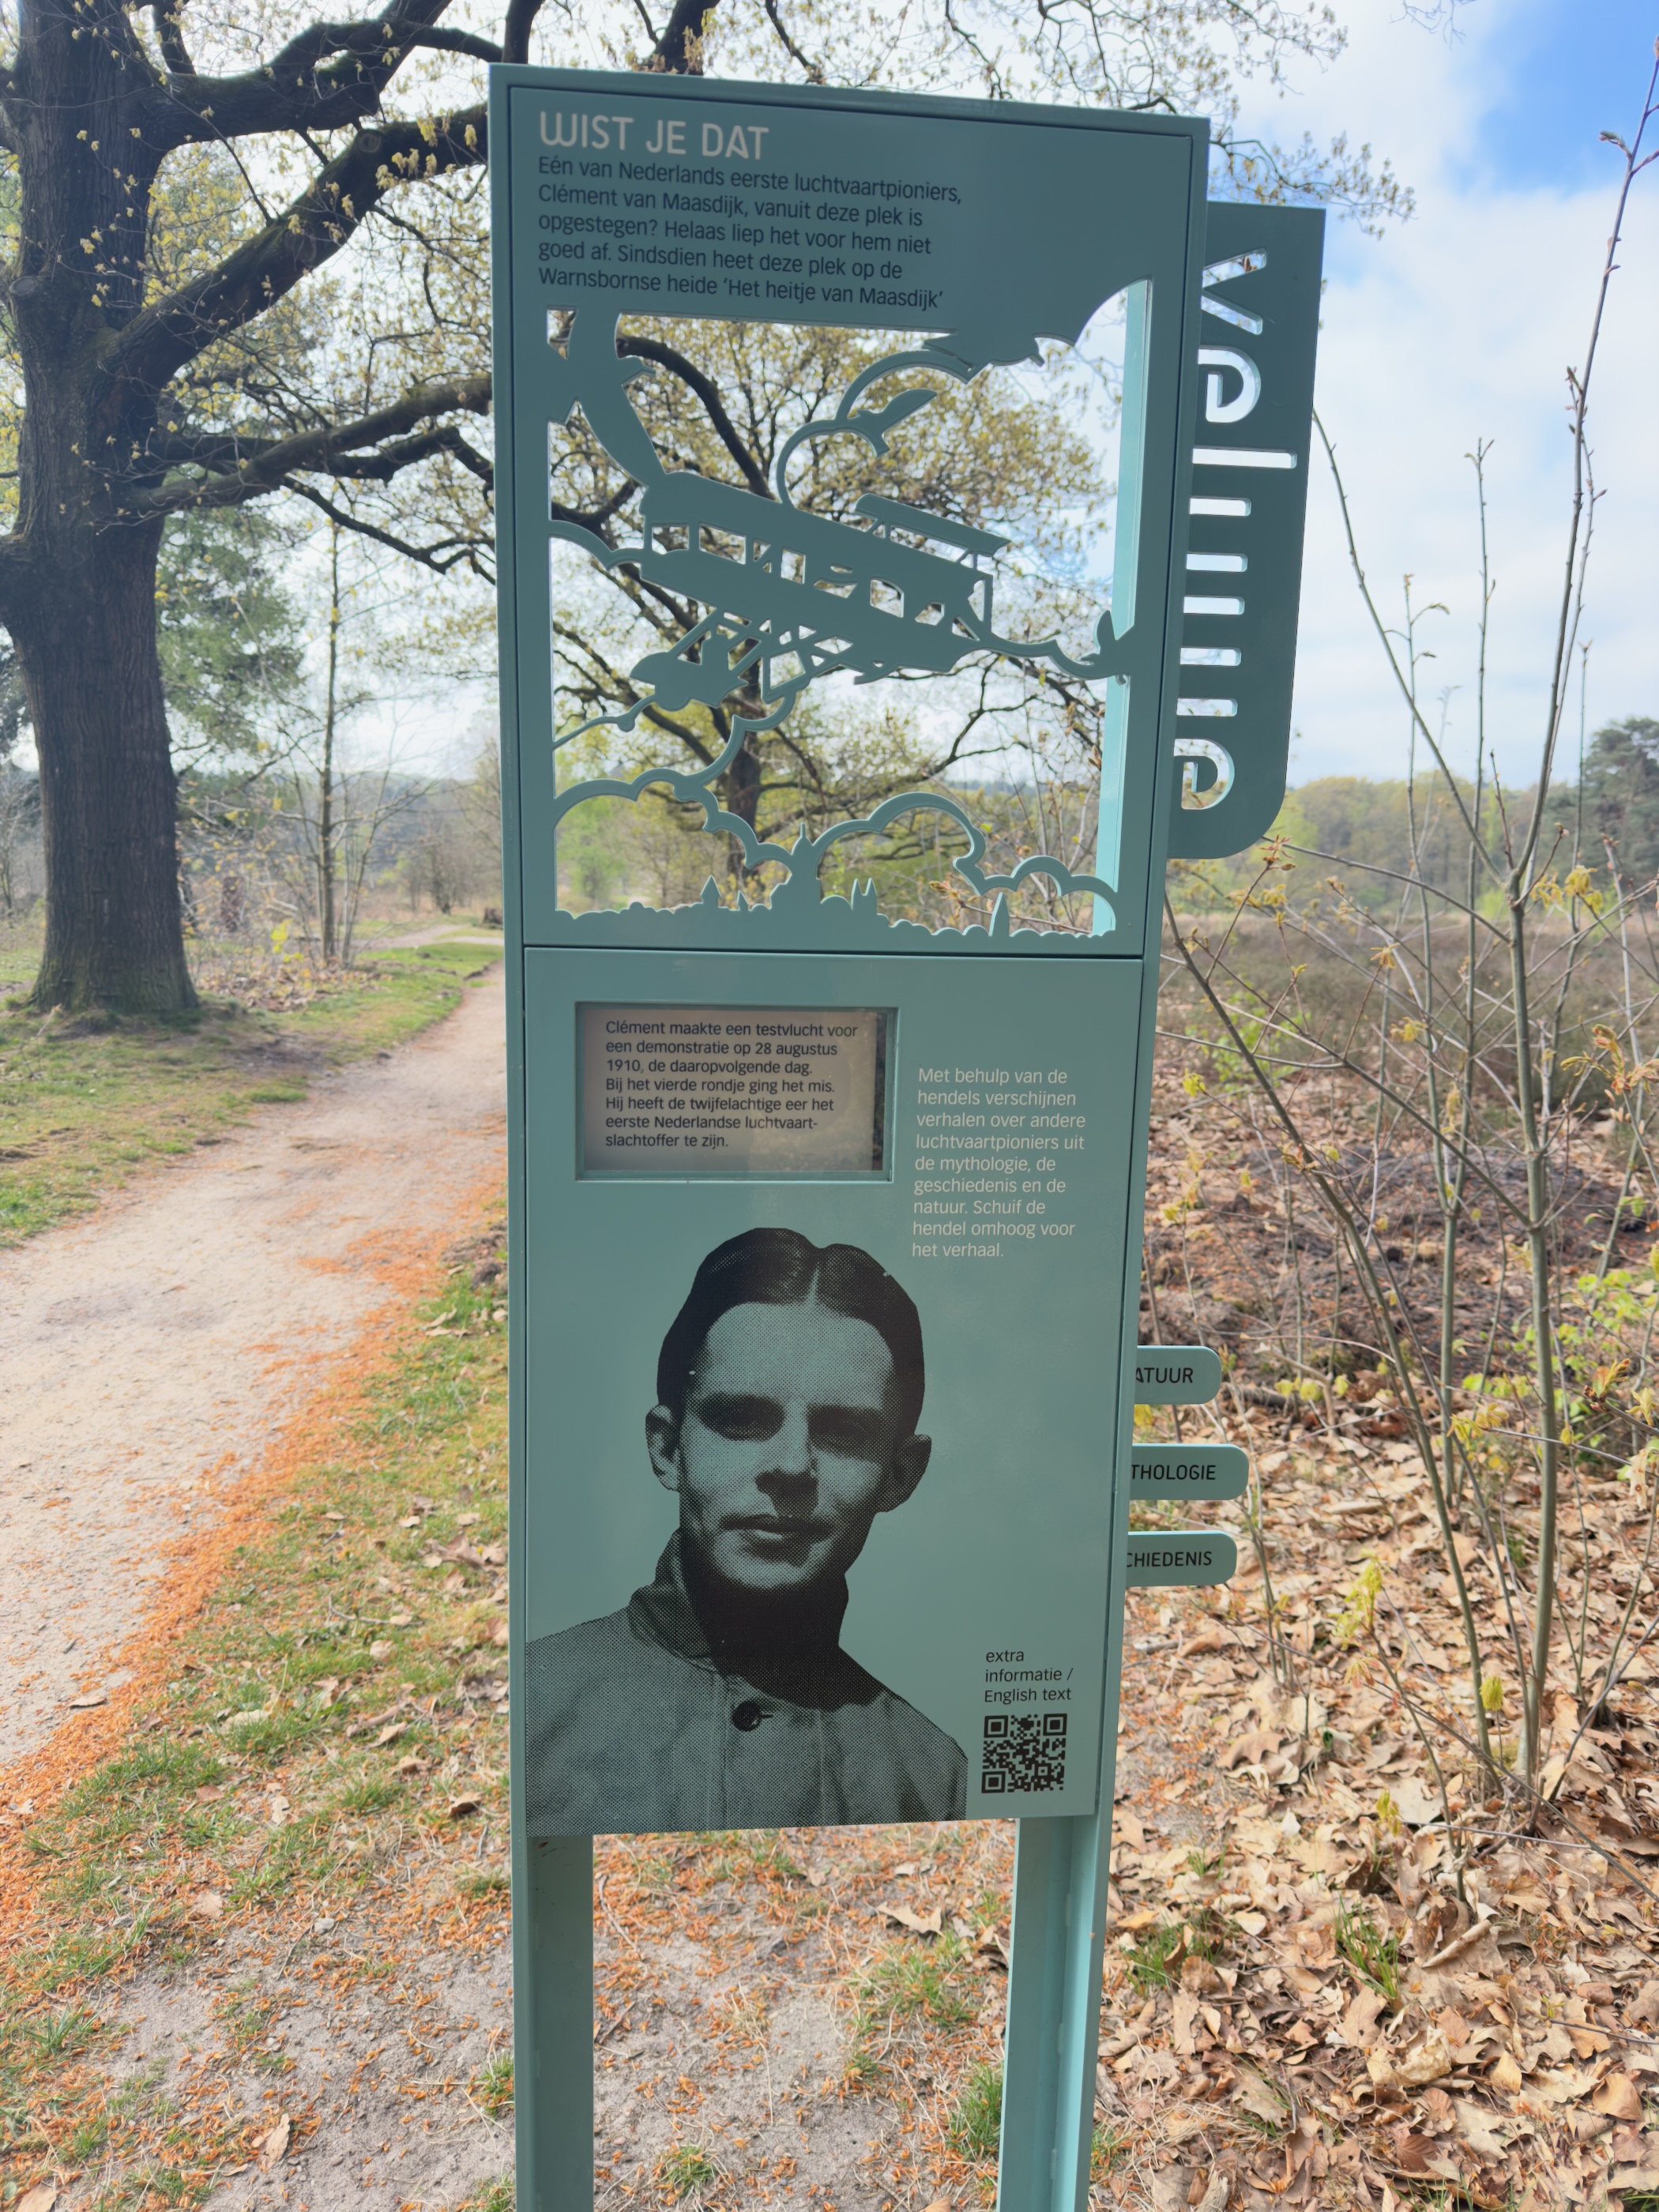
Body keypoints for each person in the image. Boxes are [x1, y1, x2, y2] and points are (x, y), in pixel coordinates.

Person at [524, 1227, 966, 1832]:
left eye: (842, 1433)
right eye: (741, 1419)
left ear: (901, 1474)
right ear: (668, 1448)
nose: (790, 1465)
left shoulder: (932, 1777)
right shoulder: (530, 1706)